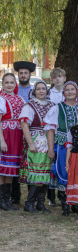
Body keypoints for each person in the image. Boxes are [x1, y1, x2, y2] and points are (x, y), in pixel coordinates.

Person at [0, 73, 25, 211]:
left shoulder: (20, 98)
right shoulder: (0, 99)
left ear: (15, 84)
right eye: (7, 82)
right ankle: (0, 201)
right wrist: (2, 140)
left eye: (12, 82)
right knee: (0, 169)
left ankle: (7, 199)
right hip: (4, 134)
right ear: (2, 84)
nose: (9, 85)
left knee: (10, 168)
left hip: (16, 135)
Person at [18, 81, 56, 213]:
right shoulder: (29, 105)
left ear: (47, 91)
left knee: (45, 173)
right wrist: (30, 143)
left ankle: (40, 203)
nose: (41, 91)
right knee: (36, 173)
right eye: (38, 89)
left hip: (48, 141)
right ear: (34, 91)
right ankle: (29, 204)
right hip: (36, 141)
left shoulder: (52, 105)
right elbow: (24, 125)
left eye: (43, 89)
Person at [49, 81, 78, 216]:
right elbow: (50, 129)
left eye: (73, 89)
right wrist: (50, 148)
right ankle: (64, 203)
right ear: (63, 93)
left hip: (77, 146)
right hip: (63, 145)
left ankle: (75, 202)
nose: (70, 92)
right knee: (64, 172)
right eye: (68, 90)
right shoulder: (57, 108)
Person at [11, 60, 37, 204]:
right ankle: (15, 195)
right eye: (20, 73)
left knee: (30, 161)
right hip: (15, 130)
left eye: (25, 73)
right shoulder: (12, 90)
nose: (23, 75)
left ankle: (31, 197)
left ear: (29, 74)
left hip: (30, 130)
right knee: (15, 160)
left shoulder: (35, 90)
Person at [47, 68, 66, 206]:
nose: (58, 79)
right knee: (50, 163)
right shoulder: (49, 94)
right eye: (55, 77)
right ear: (52, 79)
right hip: (52, 130)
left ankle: (62, 194)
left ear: (64, 78)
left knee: (63, 163)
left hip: (65, 134)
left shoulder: (70, 92)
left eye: (60, 77)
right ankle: (50, 197)